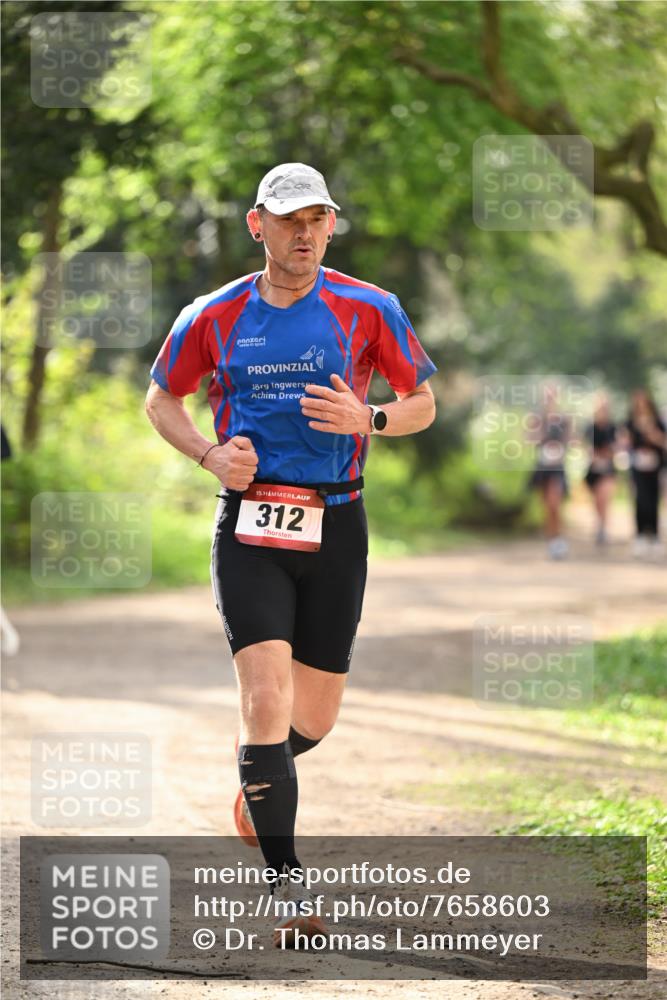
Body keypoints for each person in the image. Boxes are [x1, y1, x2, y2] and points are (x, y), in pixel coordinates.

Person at [145, 163, 437, 946]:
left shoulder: (369, 307)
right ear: (257, 226)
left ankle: (258, 772)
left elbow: (421, 403)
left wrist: (368, 420)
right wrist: (209, 457)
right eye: (287, 219)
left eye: (316, 218)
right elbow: (160, 396)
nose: (303, 232)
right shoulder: (212, 314)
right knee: (265, 701)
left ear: (330, 225)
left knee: (313, 717)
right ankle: (288, 890)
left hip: (337, 525)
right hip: (249, 524)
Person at [527, 384, 571, 560]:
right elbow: (529, 438)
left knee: (554, 503)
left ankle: (558, 538)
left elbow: (571, 440)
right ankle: (552, 540)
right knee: (546, 506)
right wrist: (540, 432)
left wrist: (560, 449)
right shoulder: (537, 418)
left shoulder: (564, 419)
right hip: (542, 466)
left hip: (557, 467)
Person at [622, 389, 665, 559]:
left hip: (654, 467)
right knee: (640, 501)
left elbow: (663, 442)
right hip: (637, 467)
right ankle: (640, 535)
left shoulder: (657, 422)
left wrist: (653, 435)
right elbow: (625, 443)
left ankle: (654, 535)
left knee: (653, 501)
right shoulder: (630, 423)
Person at [583, 394, 618, 546]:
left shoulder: (613, 427)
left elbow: (618, 447)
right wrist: (592, 454)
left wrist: (606, 454)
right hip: (593, 469)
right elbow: (584, 446)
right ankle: (599, 524)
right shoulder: (590, 427)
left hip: (608, 469)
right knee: (597, 500)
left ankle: (603, 527)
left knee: (604, 497)